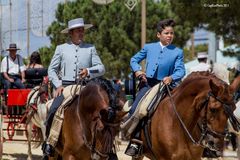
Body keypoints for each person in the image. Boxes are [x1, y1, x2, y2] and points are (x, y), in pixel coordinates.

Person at [42, 17, 105, 159]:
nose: (81, 33)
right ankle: (49, 143)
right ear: (71, 33)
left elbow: (101, 68)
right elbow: (51, 70)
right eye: (78, 30)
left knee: (104, 111)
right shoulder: (61, 49)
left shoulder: (91, 48)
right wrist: (58, 85)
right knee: (53, 109)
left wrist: (88, 71)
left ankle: (108, 147)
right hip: (66, 87)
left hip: (87, 88)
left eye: (82, 30)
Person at [125, 19, 186, 157]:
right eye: (166, 33)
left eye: (172, 33)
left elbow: (181, 71)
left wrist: (171, 77)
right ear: (159, 35)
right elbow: (133, 60)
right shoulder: (148, 47)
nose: (170, 36)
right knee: (136, 109)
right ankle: (135, 141)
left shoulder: (178, 52)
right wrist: (138, 71)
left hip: (168, 86)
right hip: (148, 84)